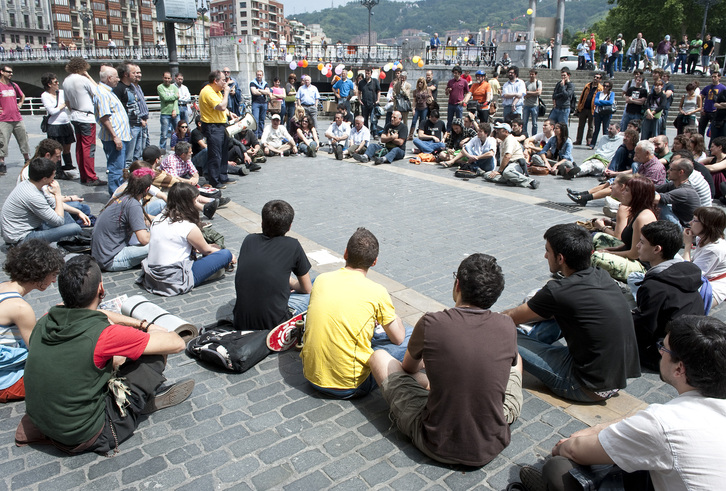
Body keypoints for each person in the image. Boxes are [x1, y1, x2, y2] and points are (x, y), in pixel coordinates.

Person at [522, 315, 726, 491]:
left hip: (582, 385)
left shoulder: (663, 425)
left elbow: (575, 450)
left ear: (679, 369)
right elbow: (648, 421)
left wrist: (566, 445)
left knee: (557, 469)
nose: (660, 352)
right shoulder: (706, 406)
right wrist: (599, 428)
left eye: (664, 348)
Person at [22, 254, 194, 455]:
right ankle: (138, 404)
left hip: (43, 423)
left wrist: (137, 323)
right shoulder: (103, 335)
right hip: (89, 434)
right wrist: (147, 327)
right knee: (154, 355)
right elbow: (175, 343)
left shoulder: (44, 320)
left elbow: (96, 314)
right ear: (101, 289)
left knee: (107, 360)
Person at [368, 253, 523, 466]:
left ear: (457, 284)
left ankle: (438, 387)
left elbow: (407, 367)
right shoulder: (507, 325)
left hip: (435, 441)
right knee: (517, 360)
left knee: (379, 357)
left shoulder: (432, 322)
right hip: (493, 441)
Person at [505, 223, 640, 402]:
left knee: (505, 334)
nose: (545, 256)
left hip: (581, 384)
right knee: (554, 314)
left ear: (560, 258)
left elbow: (508, 319)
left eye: (548, 251)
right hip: (613, 379)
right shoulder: (601, 275)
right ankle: (530, 339)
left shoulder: (558, 291)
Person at [300, 227, 407, 399]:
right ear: (374, 262)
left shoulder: (321, 280)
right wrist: (394, 317)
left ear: (345, 253)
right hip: (351, 385)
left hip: (312, 376)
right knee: (408, 336)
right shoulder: (377, 291)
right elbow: (398, 338)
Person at [630, 220, 704, 370]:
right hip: (691, 342)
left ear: (657, 249)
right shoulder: (684, 270)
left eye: (642, 243)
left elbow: (645, 329)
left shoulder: (655, 286)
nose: (637, 246)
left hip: (670, 353)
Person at [140, 183, 235, 296]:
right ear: (188, 203)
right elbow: (207, 250)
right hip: (174, 278)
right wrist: (230, 256)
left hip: (152, 275)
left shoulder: (159, 218)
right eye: (195, 201)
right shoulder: (187, 226)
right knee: (225, 254)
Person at [0, 240, 65, 403]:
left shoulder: (4, 287)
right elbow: (38, 351)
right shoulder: (20, 308)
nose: (53, 281)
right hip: (6, 383)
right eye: (53, 275)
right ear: (41, 273)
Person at [233, 200, 312, 331]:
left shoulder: (249, 240)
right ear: (289, 227)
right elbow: (307, 289)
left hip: (241, 321)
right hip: (275, 323)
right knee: (318, 287)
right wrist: (290, 282)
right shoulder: (292, 245)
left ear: (262, 222)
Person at [0, 157, 82, 245]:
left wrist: (79, 212)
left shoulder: (31, 184)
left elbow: (53, 204)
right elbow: (59, 221)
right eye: (53, 175)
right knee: (75, 228)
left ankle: (74, 236)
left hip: (30, 227)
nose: (54, 178)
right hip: (22, 239)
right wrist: (57, 194)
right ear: (44, 179)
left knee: (69, 209)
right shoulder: (33, 195)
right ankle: (75, 236)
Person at [591, 176, 657, 282]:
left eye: (626, 190)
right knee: (597, 238)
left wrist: (609, 253)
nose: (623, 193)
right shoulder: (635, 212)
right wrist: (611, 249)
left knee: (597, 258)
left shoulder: (643, 217)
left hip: (642, 267)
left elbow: (634, 254)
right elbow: (628, 244)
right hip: (632, 255)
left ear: (636, 195)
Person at [91, 168, 152, 272]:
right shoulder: (133, 204)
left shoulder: (122, 196)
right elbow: (144, 239)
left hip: (101, 254)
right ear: (147, 189)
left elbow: (141, 220)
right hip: (111, 259)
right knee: (162, 242)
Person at [95, 65, 131, 196]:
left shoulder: (107, 91)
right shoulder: (103, 93)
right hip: (115, 137)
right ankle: (116, 196)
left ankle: (118, 192)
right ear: (109, 78)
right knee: (116, 168)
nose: (118, 79)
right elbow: (104, 117)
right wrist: (115, 137)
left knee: (119, 167)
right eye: (116, 77)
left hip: (120, 135)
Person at [684, 206, 726, 306]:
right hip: (702, 275)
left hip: (714, 287)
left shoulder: (714, 249)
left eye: (695, 220)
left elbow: (688, 274)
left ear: (707, 225)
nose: (690, 223)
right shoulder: (701, 238)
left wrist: (687, 246)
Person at [199, 70, 232, 189]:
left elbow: (222, 106)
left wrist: (230, 113)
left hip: (221, 124)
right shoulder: (208, 91)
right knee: (215, 154)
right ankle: (214, 180)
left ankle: (223, 176)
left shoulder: (216, 91)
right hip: (212, 126)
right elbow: (222, 106)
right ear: (215, 80)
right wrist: (227, 93)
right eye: (223, 80)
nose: (225, 82)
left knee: (223, 152)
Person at [40, 72, 76, 180]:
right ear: (49, 84)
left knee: (67, 147)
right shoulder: (45, 95)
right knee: (56, 150)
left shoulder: (61, 92)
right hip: (54, 126)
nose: (57, 83)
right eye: (55, 82)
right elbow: (52, 110)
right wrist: (62, 105)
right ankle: (58, 171)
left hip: (65, 123)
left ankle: (69, 166)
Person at [484, 122, 540, 189]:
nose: (497, 132)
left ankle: (530, 181)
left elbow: (507, 156)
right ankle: (512, 180)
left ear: (506, 132)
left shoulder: (510, 139)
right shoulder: (503, 141)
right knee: (487, 175)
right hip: (506, 167)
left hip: (516, 164)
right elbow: (490, 138)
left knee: (507, 172)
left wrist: (499, 171)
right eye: (496, 130)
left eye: (499, 130)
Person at [0, 65, 30, 174]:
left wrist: (20, 104)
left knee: (23, 139)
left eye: (11, 72)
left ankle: (27, 160)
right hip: (3, 119)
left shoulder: (14, 85)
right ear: (2, 72)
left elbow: (22, 96)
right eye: (8, 72)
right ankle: (1, 163)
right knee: (2, 141)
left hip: (17, 118)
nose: (10, 74)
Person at [655, 157, 701, 229]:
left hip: (684, 228)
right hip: (677, 219)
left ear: (681, 172)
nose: (668, 171)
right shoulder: (674, 184)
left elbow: (655, 199)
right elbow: (655, 188)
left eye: (671, 169)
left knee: (660, 205)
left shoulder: (684, 191)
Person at [112, 63, 143, 169]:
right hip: (129, 126)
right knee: (128, 157)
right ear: (126, 74)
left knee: (137, 154)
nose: (136, 75)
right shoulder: (119, 88)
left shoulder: (132, 87)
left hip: (137, 123)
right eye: (133, 73)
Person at [574, 73, 603, 146]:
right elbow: (582, 96)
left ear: (600, 79)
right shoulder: (587, 86)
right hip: (584, 108)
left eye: (597, 77)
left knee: (591, 126)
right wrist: (579, 106)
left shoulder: (600, 88)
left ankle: (589, 140)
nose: (595, 78)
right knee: (581, 125)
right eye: (595, 77)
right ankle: (578, 140)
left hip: (592, 109)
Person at [589, 80, 615, 149]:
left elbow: (610, 102)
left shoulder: (611, 94)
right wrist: (604, 102)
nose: (605, 87)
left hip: (607, 113)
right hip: (598, 113)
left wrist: (601, 101)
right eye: (604, 86)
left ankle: (605, 145)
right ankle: (592, 144)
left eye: (607, 86)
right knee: (596, 129)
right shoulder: (599, 93)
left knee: (606, 130)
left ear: (610, 87)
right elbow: (596, 102)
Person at [157, 71, 179, 151]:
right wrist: (175, 96)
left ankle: (175, 147)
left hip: (175, 112)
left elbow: (176, 101)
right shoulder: (160, 87)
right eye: (165, 78)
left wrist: (174, 110)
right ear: (163, 78)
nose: (167, 80)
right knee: (164, 134)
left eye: (169, 78)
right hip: (165, 113)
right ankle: (162, 149)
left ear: (171, 78)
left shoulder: (174, 87)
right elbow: (164, 98)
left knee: (177, 132)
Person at [698, 72, 725, 138]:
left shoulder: (723, 88)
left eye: (715, 77)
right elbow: (700, 97)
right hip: (706, 111)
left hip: (715, 112)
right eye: (712, 76)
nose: (713, 78)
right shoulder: (707, 87)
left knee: (713, 131)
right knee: (701, 129)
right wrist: (701, 108)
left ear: (719, 77)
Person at [445, 65, 469, 131]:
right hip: (451, 104)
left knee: (459, 121)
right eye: (453, 73)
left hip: (459, 104)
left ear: (459, 73)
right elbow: (446, 93)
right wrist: (447, 90)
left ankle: (459, 133)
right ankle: (448, 133)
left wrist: (464, 101)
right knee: (449, 120)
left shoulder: (464, 82)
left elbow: (467, 92)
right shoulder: (450, 82)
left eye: (456, 73)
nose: (454, 74)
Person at [358, 69, 380, 134]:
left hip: (373, 103)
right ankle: (366, 132)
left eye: (368, 73)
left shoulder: (375, 81)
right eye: (366, 73)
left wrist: (378, 100)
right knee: (365, 119)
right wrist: (359, 100)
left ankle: (374, 132)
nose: (367, 74)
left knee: (373, 119)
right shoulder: (361, 82)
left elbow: (378, 91)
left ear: (371, 74)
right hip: (364, 104)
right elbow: (359, 92)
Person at [249, 69, 270, 139]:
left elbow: (268, 92)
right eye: (258, 75)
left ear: (262, 75)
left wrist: (259, 90)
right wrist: (264, 91)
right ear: (256, 75)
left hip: (264, 103)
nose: (259, 76)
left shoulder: (265, 83)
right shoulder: (252, 83)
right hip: (256, 103)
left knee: (262, 120)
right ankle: (254, 136)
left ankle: (260, 135)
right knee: (255, 120)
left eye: (260, 75)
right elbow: (254, 92)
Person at [521, 69, 541, 136]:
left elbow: (539, 92)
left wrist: (529, 93)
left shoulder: (538, 83)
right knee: (524, 122)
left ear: (535, 75)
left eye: (533, 74)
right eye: (530, 74)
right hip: (526, 105)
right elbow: (524, 94)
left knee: (534, 123)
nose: (531, 76)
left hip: (535, 105)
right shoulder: (526, 83)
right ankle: (525, 135)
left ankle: (534, 136)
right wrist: (534, 93)